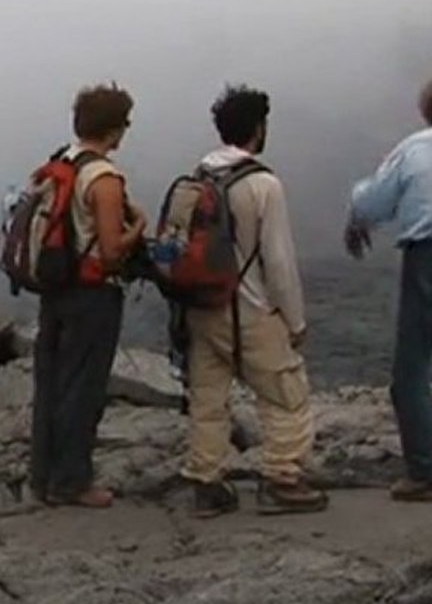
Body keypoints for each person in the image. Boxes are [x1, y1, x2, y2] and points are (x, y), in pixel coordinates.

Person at [181, 85, 327, 517]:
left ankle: (206, 483)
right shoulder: (263, 184)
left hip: (201, 307)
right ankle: (283, 480)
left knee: (209, 399)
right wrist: (295, 322)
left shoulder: (198, 176)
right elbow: (278, 262)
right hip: (249, 307)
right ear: (259, 129)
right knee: (286, 393)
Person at [31, 82, 146, 508]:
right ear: (114, 129)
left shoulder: (60, 163)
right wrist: (139, 229)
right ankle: (73, 481)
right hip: (92, 295)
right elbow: (113, 251)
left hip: (55, 289)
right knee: (83, 387)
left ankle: (42, 477)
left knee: (51, 383)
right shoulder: (104, 179)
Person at [345, 79, 432, 502]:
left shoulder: (415, 150)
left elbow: (372, 203)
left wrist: (356, 218)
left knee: (413, 372)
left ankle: (424, 473)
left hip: (427, 256)